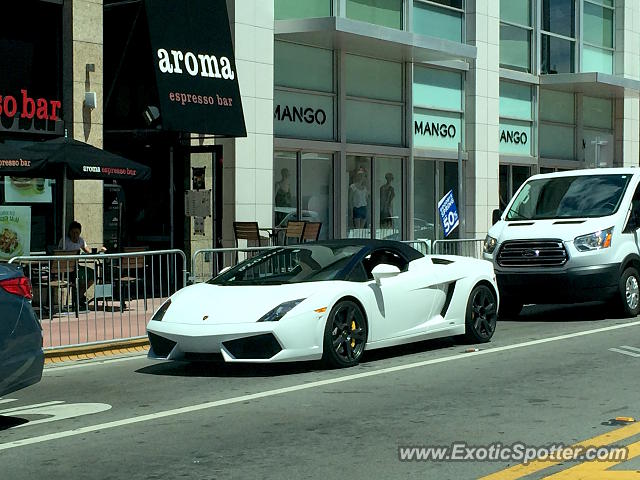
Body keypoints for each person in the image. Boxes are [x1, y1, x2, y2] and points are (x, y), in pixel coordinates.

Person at [58, 221, 106, 309]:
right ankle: (79, 298)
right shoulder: (64, 241)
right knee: (81, 276)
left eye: (77, 233)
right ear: (69, 232)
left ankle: (78, 296)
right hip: (66, 268)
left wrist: (100, 251)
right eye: (73, 232)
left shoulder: (81, 240)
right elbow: (60, 254)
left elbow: (89, 252)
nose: (75, 235)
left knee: (92, 274)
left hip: (77, 266)